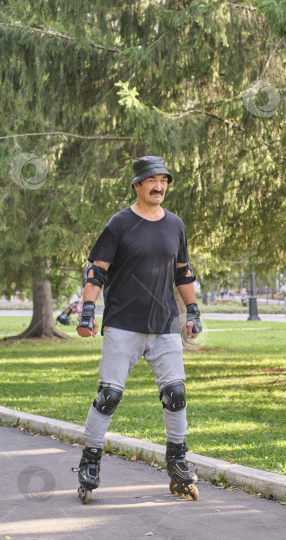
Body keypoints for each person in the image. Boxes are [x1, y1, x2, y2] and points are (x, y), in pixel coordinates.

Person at [73, 155, 202, 504]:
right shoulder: (119, 223)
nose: (159, 186)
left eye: (163, 180)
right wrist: (88, 311)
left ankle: (177, 462)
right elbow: (96, 271)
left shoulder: (175, 224)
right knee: (109, 395)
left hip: (164, 325)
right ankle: (90, 462)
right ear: (138, 185)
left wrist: (192, 310)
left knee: (176, 394)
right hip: (123, 324)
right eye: (152, 181)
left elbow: (183, 272)